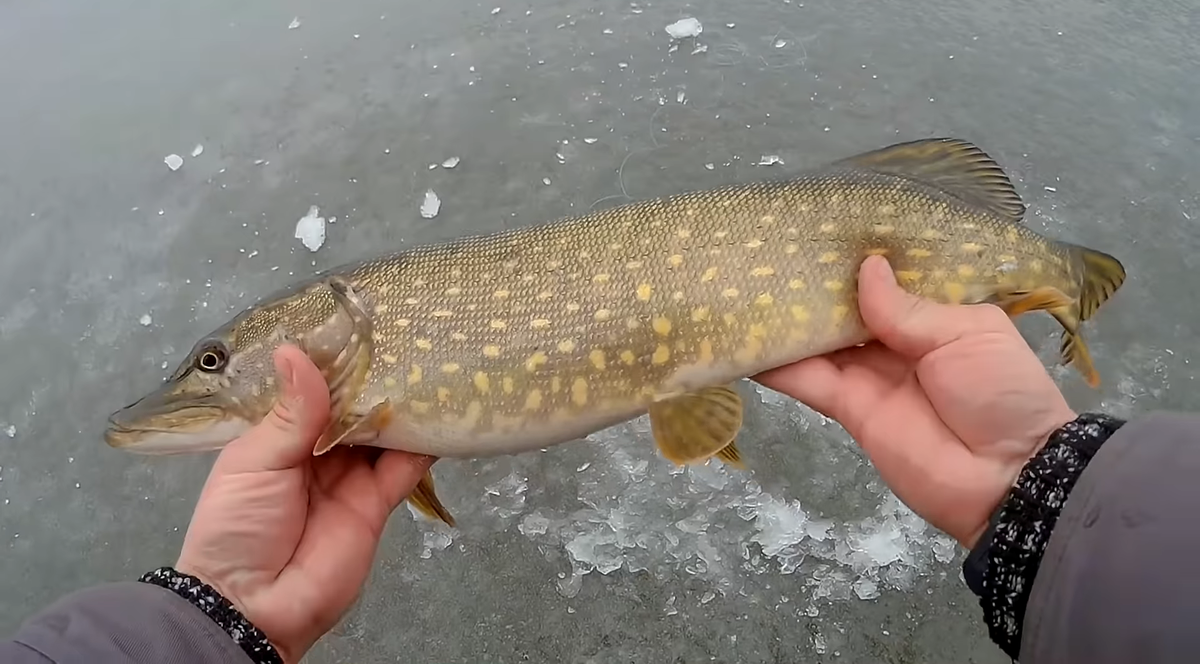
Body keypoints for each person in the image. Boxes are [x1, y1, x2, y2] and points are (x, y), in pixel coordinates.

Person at [1, 256, 1194, 663]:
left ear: (311, 340)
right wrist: (1055, 491)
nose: (200, 387)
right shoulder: (373, 380)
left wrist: (216, 622)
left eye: (218, 364)